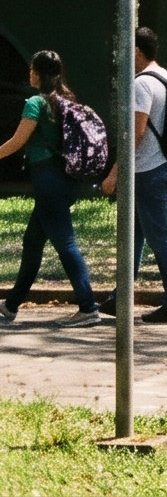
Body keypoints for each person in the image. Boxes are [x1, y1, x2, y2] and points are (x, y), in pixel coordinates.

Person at [0, 50, 100, 326]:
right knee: (32, 242)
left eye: (32, 70)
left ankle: (88, 307)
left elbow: (17, 142)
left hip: (47, 181)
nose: (29, 74)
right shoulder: (65, 101)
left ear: (37, 73)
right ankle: (10, 305)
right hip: (66, 180)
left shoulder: (35, 102)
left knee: (66, 243)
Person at [105, 26, 167, 324]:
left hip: (148, 170)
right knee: (134, 236)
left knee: (161, 237)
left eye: (126, 49)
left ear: (137, 51)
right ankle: (120, 297)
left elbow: (135, 134)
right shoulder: (163, 76)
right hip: (162, 166)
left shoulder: (141, 84)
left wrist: (114, 173)